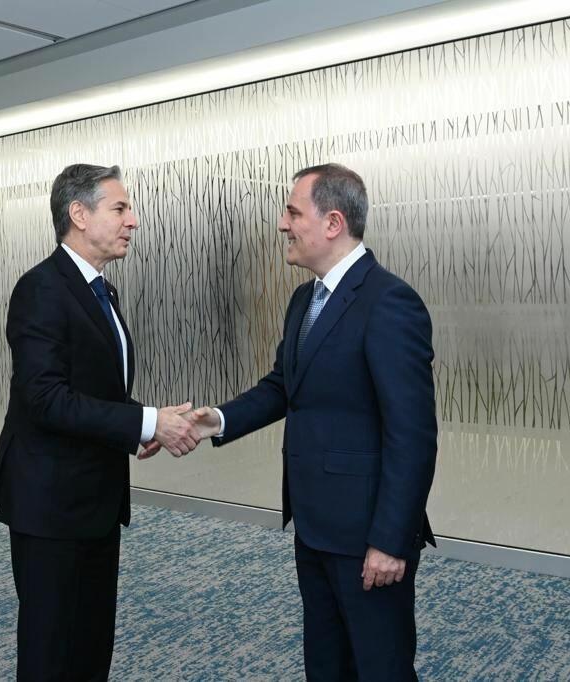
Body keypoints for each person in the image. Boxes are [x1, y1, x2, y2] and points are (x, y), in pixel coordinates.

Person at [186, 163, 437, 680]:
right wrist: (217, 420)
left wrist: (391, 540)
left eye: (293, 213)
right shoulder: (305, 298)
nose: (283, 224)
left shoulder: (389, 302)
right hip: (315, 525)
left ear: (333, 222)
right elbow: (284, 385)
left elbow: (412, 436)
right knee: (326, 665)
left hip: (367, 535)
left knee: (380, 668)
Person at [0, 163, 200, 681]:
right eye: (120, 208)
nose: (133, 220)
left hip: (95, 500)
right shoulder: (41, 288)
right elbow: (45, 398)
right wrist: (144, 422)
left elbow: (96, 390)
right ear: (79, 215)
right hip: (51, 504)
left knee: (90, 642)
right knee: (51, 649)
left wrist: (143, 422)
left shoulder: (101, 290)